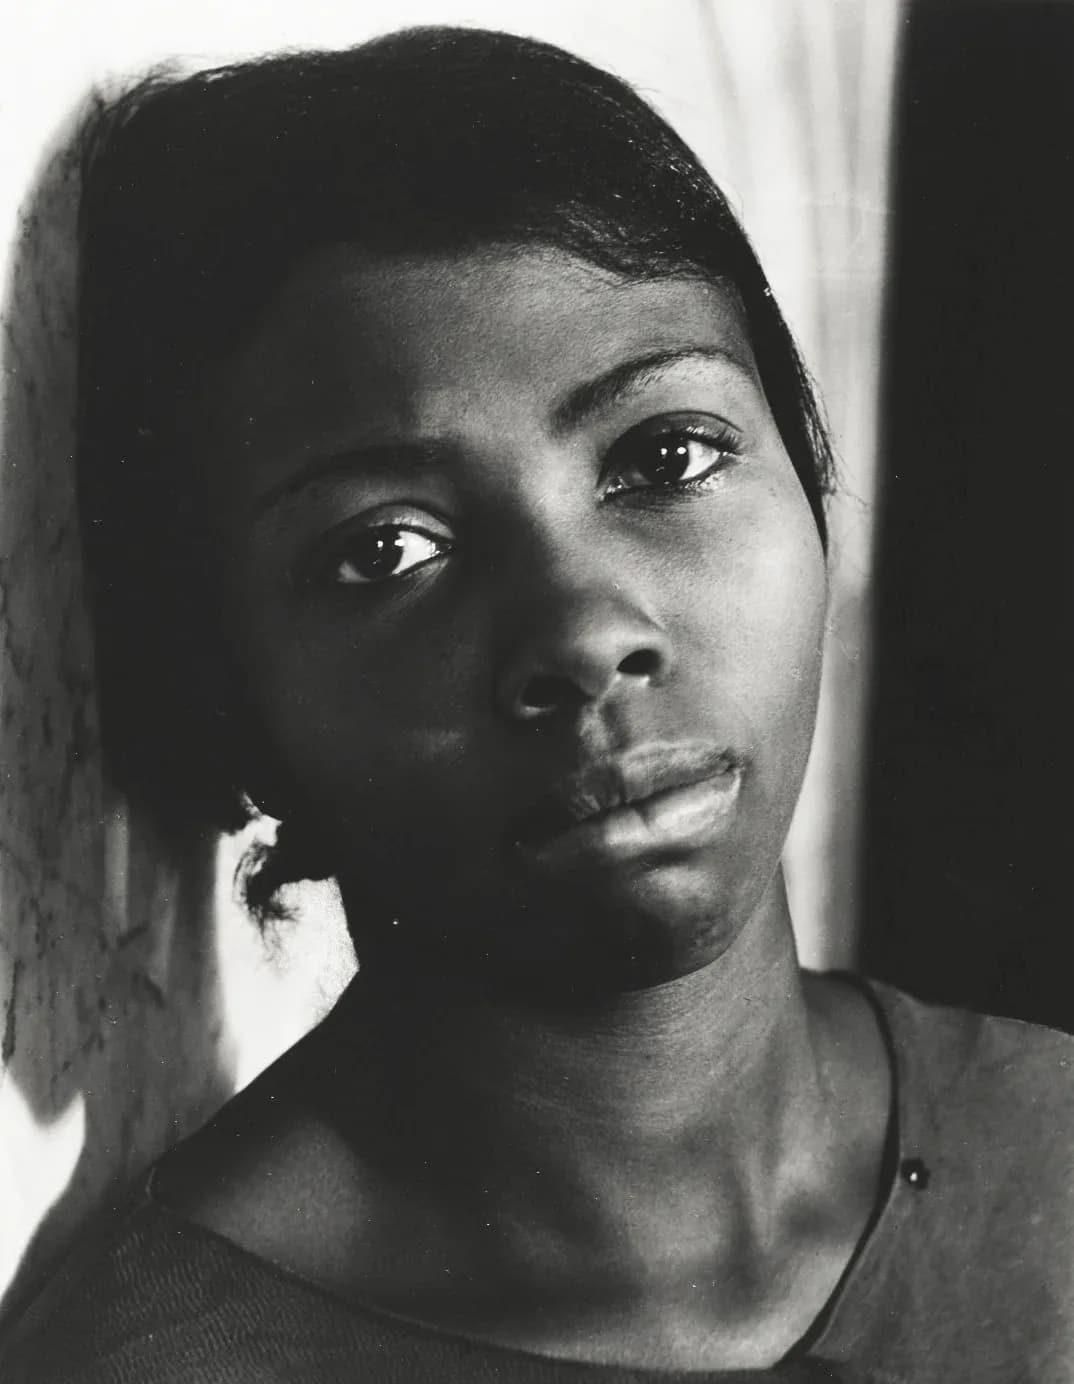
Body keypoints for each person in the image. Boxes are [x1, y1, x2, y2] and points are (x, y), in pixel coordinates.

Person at [1, 25, 1071, 1384]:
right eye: (385, 548)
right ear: (224, 704)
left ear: (809, 485)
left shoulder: (1052, 1155)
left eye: (664, 455)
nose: (581, 635)